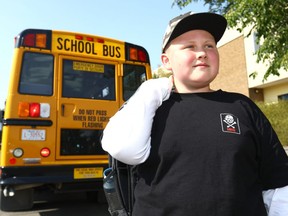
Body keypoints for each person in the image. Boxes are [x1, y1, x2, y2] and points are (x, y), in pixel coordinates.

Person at [101, 11, 288, 216]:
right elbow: (123, 148)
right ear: (166, 61)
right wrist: (151, 91)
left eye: (209, 46)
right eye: (190, 46)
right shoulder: (150, 108)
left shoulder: (242, 106)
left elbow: (278, 183)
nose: (202, 53)